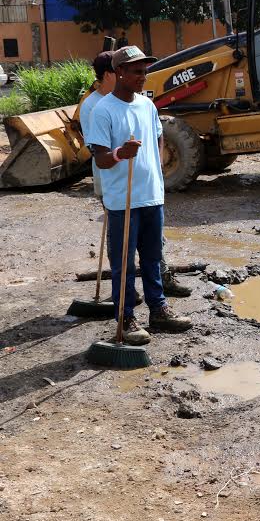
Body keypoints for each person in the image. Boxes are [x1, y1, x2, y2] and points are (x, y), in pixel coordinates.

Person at [87, 46, 192, 344]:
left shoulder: (147, 106)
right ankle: (126, 317)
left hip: (152, 197)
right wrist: (122, 152)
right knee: (124, 264)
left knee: (152, 257)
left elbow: (158, 134)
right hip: (123, 201)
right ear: (119, 72)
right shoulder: (103, 110)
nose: (142, 77)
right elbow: (101, 158)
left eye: (145, 71)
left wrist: (155, 166)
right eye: (136, 71)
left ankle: (158, 310)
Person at [79, 51, 116, 202]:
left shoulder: (125, 98)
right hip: (108, 178)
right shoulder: (91, 105)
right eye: (119, 70)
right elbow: (93, 147)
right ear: (107, 75)